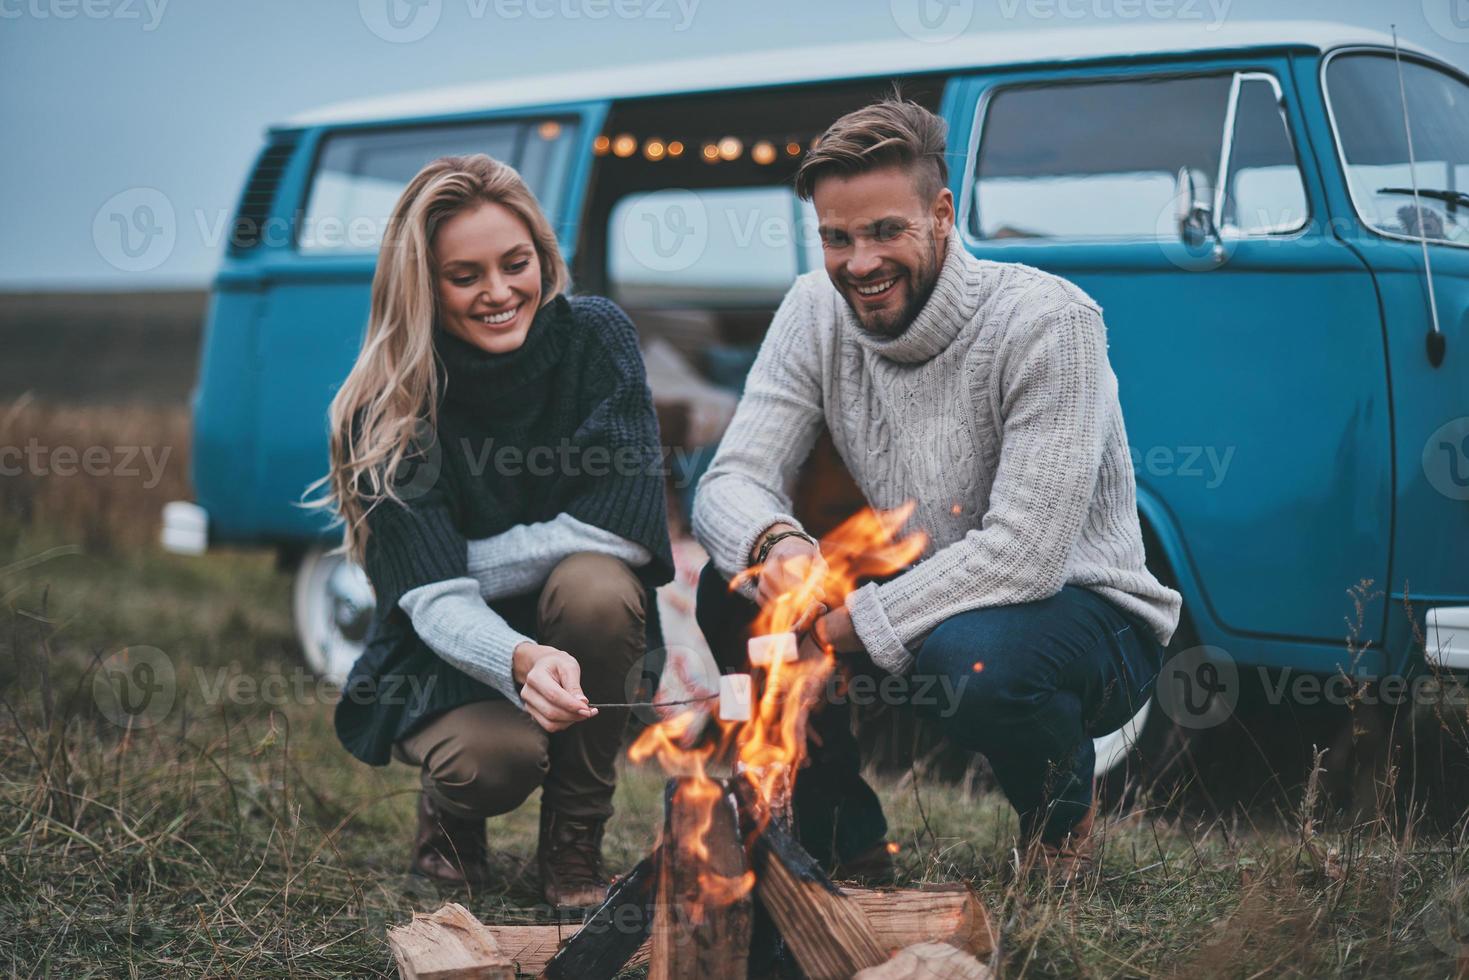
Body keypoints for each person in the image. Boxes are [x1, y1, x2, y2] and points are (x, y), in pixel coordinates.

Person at [691, 98, 1182, 880]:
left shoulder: (1047, 321)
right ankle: (838, 835)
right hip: (929, 586)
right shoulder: (813, 309)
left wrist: (850, 624)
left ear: (941, 214)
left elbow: (1023, 556)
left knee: (974, 663)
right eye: (837, 238)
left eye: (886, 230)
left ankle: (1059, 835)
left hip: (1086, 613)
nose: (859, 262)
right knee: (734, 591)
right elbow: (730, 480)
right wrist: (775, 548)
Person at [310, 154, 673, 908]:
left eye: (516, 264)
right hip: (444, 655)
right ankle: (449, 825)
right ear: (422, 284)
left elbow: (627, 525)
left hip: (577, 624)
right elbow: (436, 606)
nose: (500, 293)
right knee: (492, 761)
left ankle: (573, 853)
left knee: (599, 589)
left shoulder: (595, 339)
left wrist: (452, 566)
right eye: (464, 275)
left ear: (543, 256)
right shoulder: (385, 408)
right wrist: (517, 657)